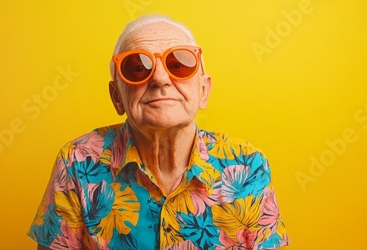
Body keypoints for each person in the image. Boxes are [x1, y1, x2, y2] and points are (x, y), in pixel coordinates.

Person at [28, 14, 289, 250]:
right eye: (138, 67)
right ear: (117, 97)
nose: (160, 78)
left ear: (203, 91)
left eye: (179, 63)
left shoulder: (249, 166)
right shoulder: (76, 162)